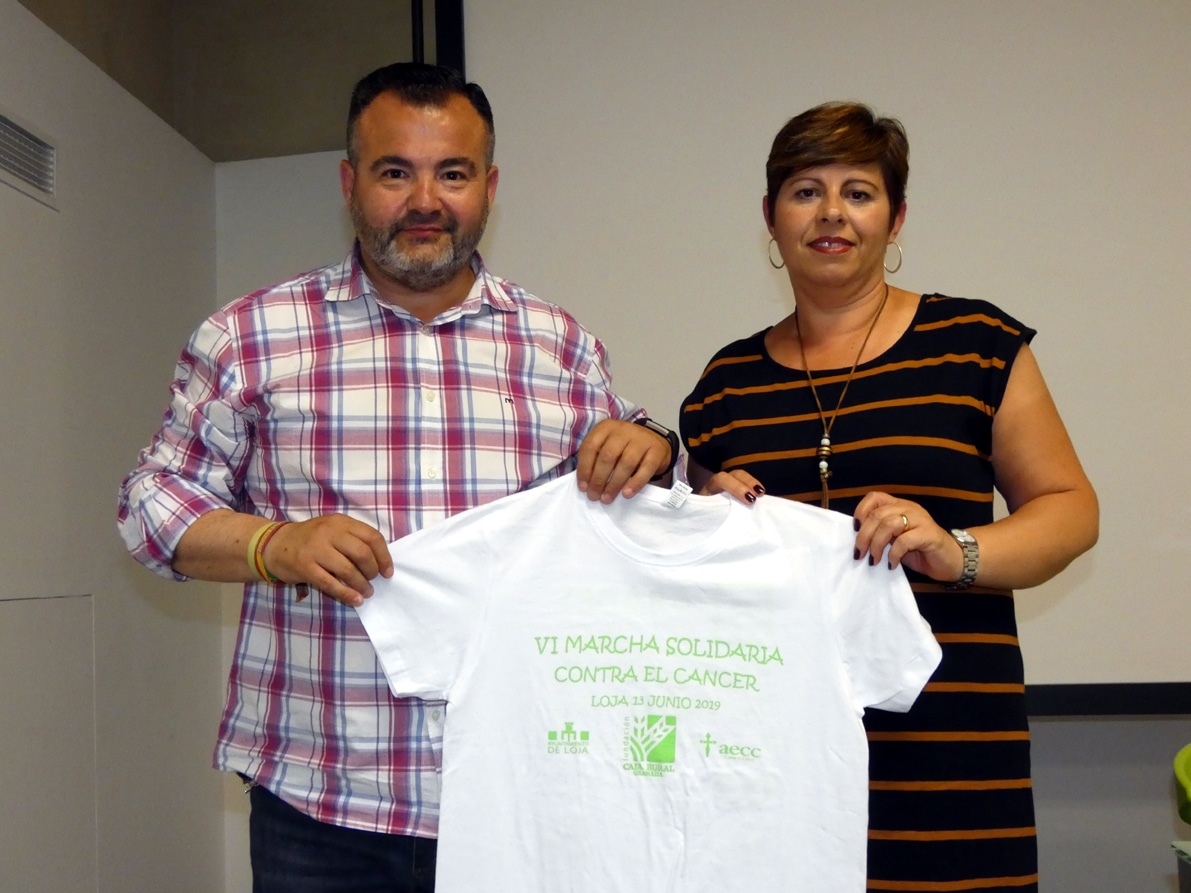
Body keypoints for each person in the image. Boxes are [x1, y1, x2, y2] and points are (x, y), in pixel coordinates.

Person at [117, 62, 676, 892]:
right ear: (349, 183)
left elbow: (630, 483)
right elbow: (149, 506)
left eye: (451, 173)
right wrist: (275, 545)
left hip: (517, 794)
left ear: (489, 188)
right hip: (319, 805)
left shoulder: (559, 344)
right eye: (393, 172)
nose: (424, 200)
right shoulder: (249, 336)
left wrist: (654, 444)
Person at [679, 102, 1098, 892]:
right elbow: (699, 580)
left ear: (895, 217)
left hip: (951, 770)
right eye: (805, 191)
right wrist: (705, 511)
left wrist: (955, 549)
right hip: (771, 776)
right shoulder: (724, 384)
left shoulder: (975, 345)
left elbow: (1071, 508)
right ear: (769, 217)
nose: (830, 213)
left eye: (858, 192)